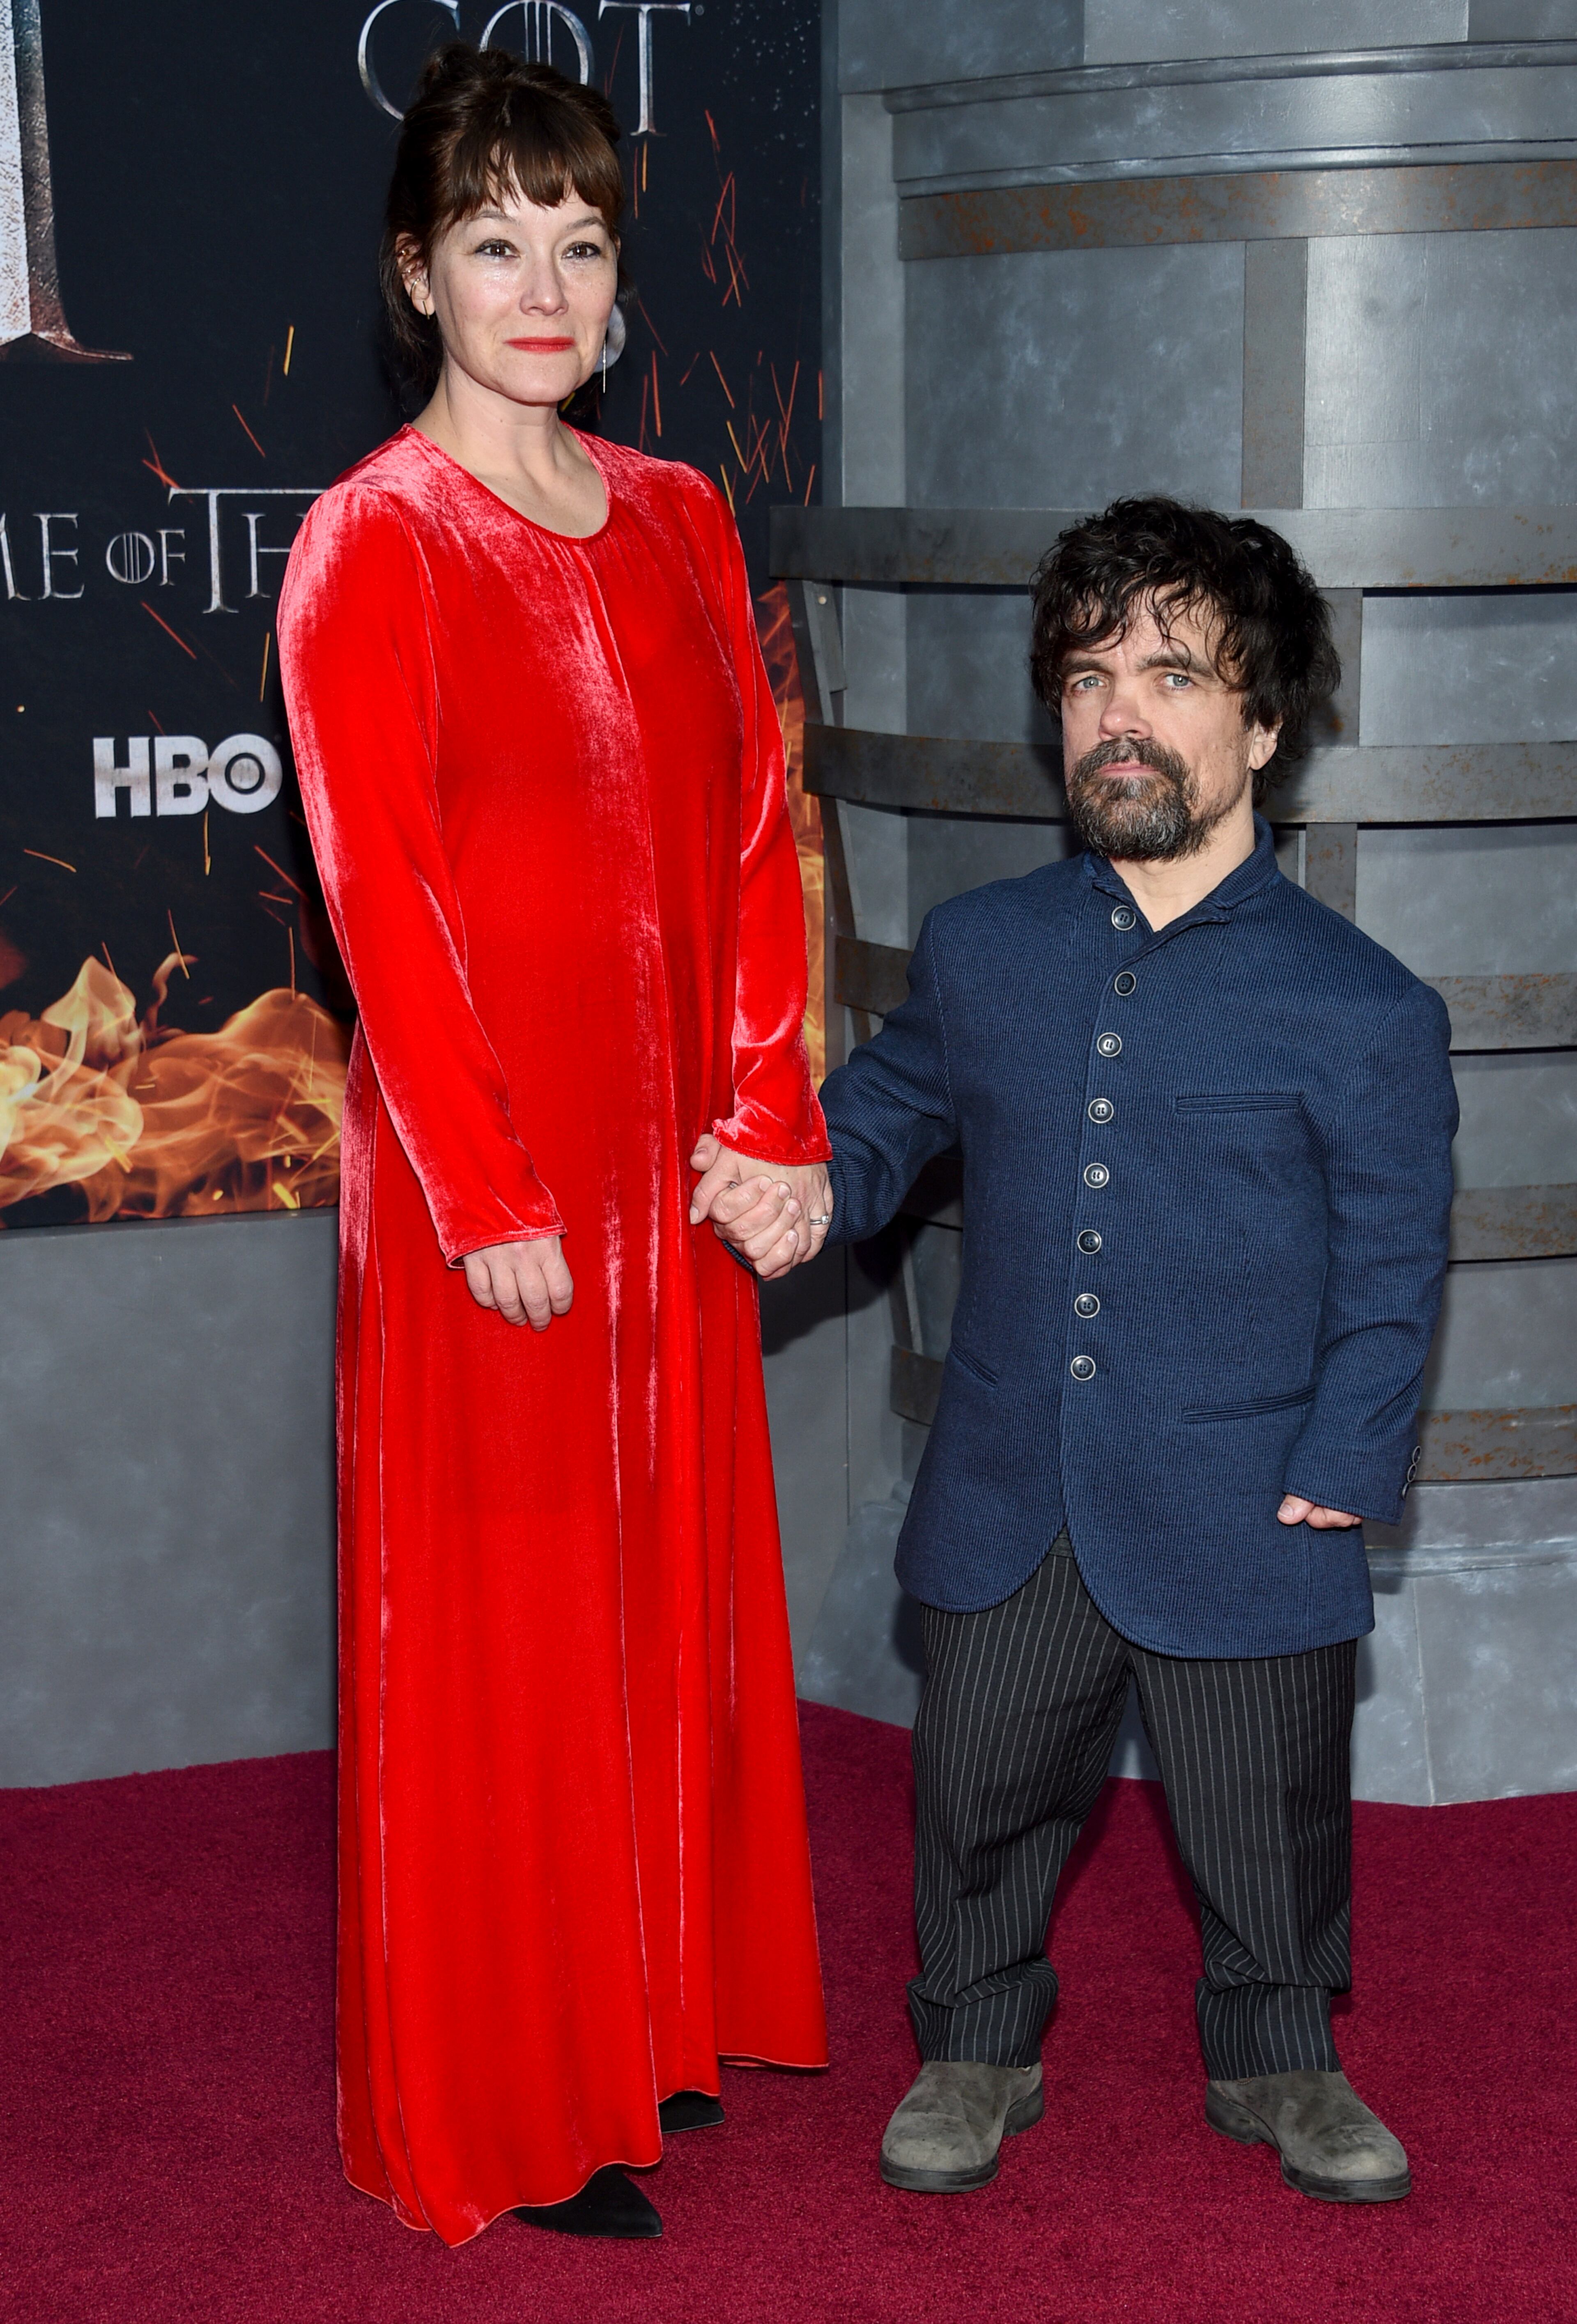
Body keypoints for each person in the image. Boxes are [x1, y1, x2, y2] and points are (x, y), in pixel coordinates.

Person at [708, 498, 1457, 2206]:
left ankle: (1280, 2054)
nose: (1119, 711)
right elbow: (884, 1125)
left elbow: (1395, 1264)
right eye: (1089, 673)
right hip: (1010, 1481)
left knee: (1269, 1816)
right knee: (979, 1786)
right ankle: (976, 2037)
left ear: (1264, 725)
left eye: (1175, 672)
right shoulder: (986, 949)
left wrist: (1348, 1463)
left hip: (1248, 1495)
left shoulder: (1365, 1005)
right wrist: (803, 1190)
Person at [276, 46, 832, 2247]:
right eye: (496, 240)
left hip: (670, 1170)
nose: (545, 283)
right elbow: (378, 899)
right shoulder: (369, 541)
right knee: (501, 1637)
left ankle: (648, 2024)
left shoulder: (689, 514)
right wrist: (486, 1191)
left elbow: (750, 834)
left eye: (581, 243)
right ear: (420, 272)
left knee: (656, 1606)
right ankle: (522, 2091)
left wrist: (765, 1111)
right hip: (480, 1190)